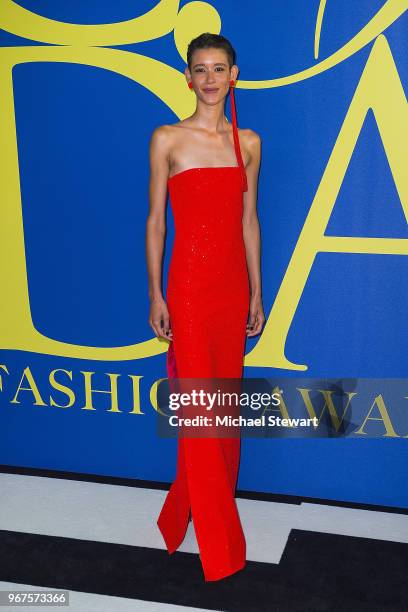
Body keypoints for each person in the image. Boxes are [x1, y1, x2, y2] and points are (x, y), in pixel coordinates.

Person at [146, 32, 264, 581]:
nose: (211, 78)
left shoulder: (249, 144)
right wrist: (156, 292)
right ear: (188, 77)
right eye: (201, 69)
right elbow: (156, 222)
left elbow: (248, 222)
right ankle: (221, 544)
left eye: (220, 68)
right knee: (199, 408)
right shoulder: (167, 138)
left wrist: (258, 290)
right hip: (189, 291)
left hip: (231, 290)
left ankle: (182, 510)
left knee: (224, 408)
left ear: (233, 75)